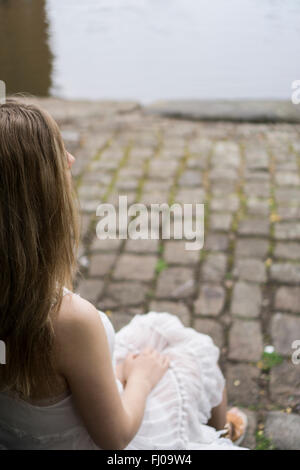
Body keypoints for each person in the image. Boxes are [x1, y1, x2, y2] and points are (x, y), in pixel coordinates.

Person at [0, 100, 247, 450]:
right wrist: (140, 379)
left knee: (157, 327)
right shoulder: (67, 321)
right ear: (37, 199)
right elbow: (115, 438)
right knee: (192, 350)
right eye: (57, 155)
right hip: (111, 436)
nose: (70, 160)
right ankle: (224, 433)